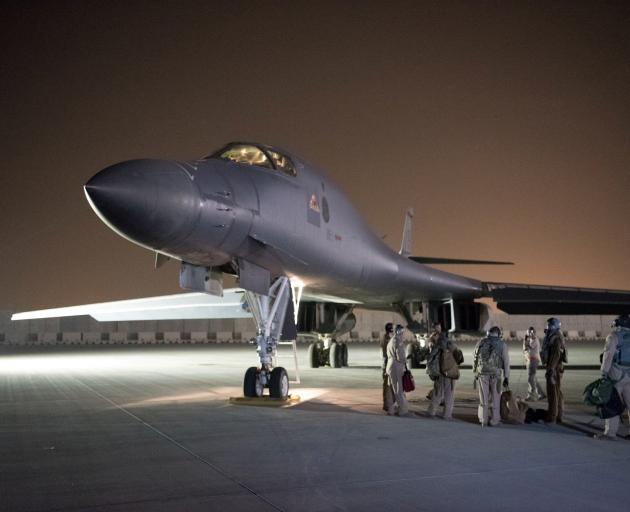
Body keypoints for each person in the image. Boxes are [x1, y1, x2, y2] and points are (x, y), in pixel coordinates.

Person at [595, 314, 630, 440]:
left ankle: (610, 433)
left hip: (616, 374)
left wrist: (604, 373)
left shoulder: (613, 336)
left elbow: (608, 355)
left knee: (612, 402)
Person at [472, 326, 510, 426]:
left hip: (482, 374)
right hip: (496, 375)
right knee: (495, 398)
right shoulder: (502, 344)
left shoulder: (481, 342)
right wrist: (506, 377)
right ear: (498, 334)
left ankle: (483, 420)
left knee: (483, 399)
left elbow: (475, 357)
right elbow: (506, 362)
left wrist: (475, 372)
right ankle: (494, 420)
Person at [426, 322, 460, 420]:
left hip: (440, 372)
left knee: (438, 393)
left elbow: (430, 356)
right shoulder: (448, 343)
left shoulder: (433, 342)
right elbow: (459, 356)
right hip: (449, 371)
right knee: (449, 394)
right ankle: (447, 415)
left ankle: (431, 412)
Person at [542, 317, 566, 424]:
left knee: (553, 393)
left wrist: (551, 369)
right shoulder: (555, 337)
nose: (547, 327)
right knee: (557, 392)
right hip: (555, 367)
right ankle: (559, 415)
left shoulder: (555, 338)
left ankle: (552, 417)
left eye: (549, 325)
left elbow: (556, 355)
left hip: (554, 369)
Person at [386, 324, 410, 416]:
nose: (403, 334)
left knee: (392, 390)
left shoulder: (391, 340)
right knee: (399, 390)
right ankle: (402, 411)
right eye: (402, 332)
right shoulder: (398, 341)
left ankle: (391, 410)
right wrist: (406, 360)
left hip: (391, 366)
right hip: (396, 367)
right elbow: (400, 357)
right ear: (399, 332)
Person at [523, 326, 546, 401]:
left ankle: (531, 396)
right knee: (533, 378)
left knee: (530, 378)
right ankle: (541, 394)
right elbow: (525, 350)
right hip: (530, 360)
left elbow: (528, 347)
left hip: (533, 360)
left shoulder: (534, 339)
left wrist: (526, 340)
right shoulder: (530, 339)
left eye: (531, 332)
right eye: (528, 332)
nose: (529, 333)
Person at [380, 322, 395, 413]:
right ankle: (387, 405)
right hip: (387, 365)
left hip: (386, 364)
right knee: (388, 386)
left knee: (387, 386)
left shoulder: (385, 338)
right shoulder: (387, 339)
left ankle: (388, 404)